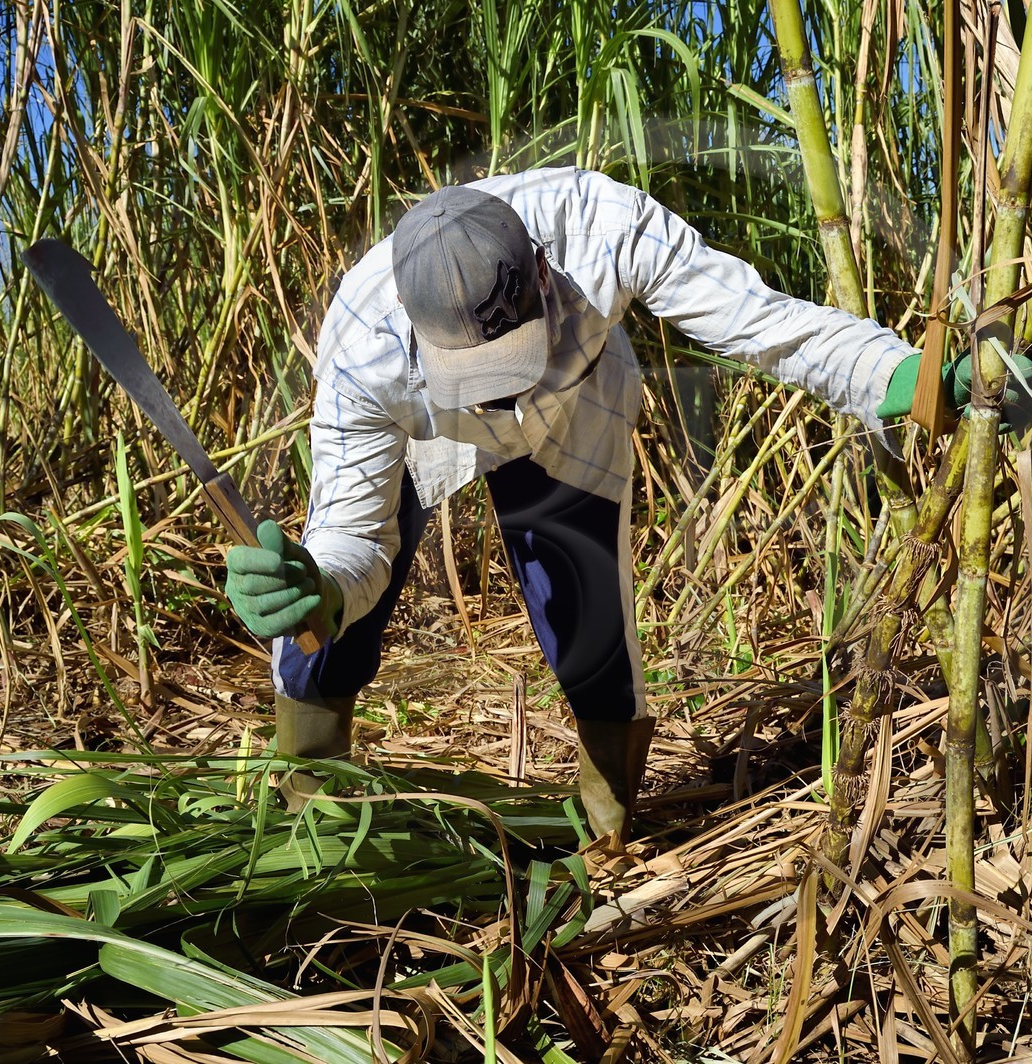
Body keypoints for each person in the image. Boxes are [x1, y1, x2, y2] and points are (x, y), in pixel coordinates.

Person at [225, 166, 945, 841]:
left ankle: (601, 841)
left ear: (542, 271)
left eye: (506, 361)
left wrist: (906, 374)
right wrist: (321, 584)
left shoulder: (602, 229)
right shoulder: (363, 348)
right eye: (473, 374)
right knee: (327, 623)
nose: (497, 392)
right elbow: (356, 537)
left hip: (573, 411)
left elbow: (764, 325)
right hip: (423, 426)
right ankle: (307, 817)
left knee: (589, 622)